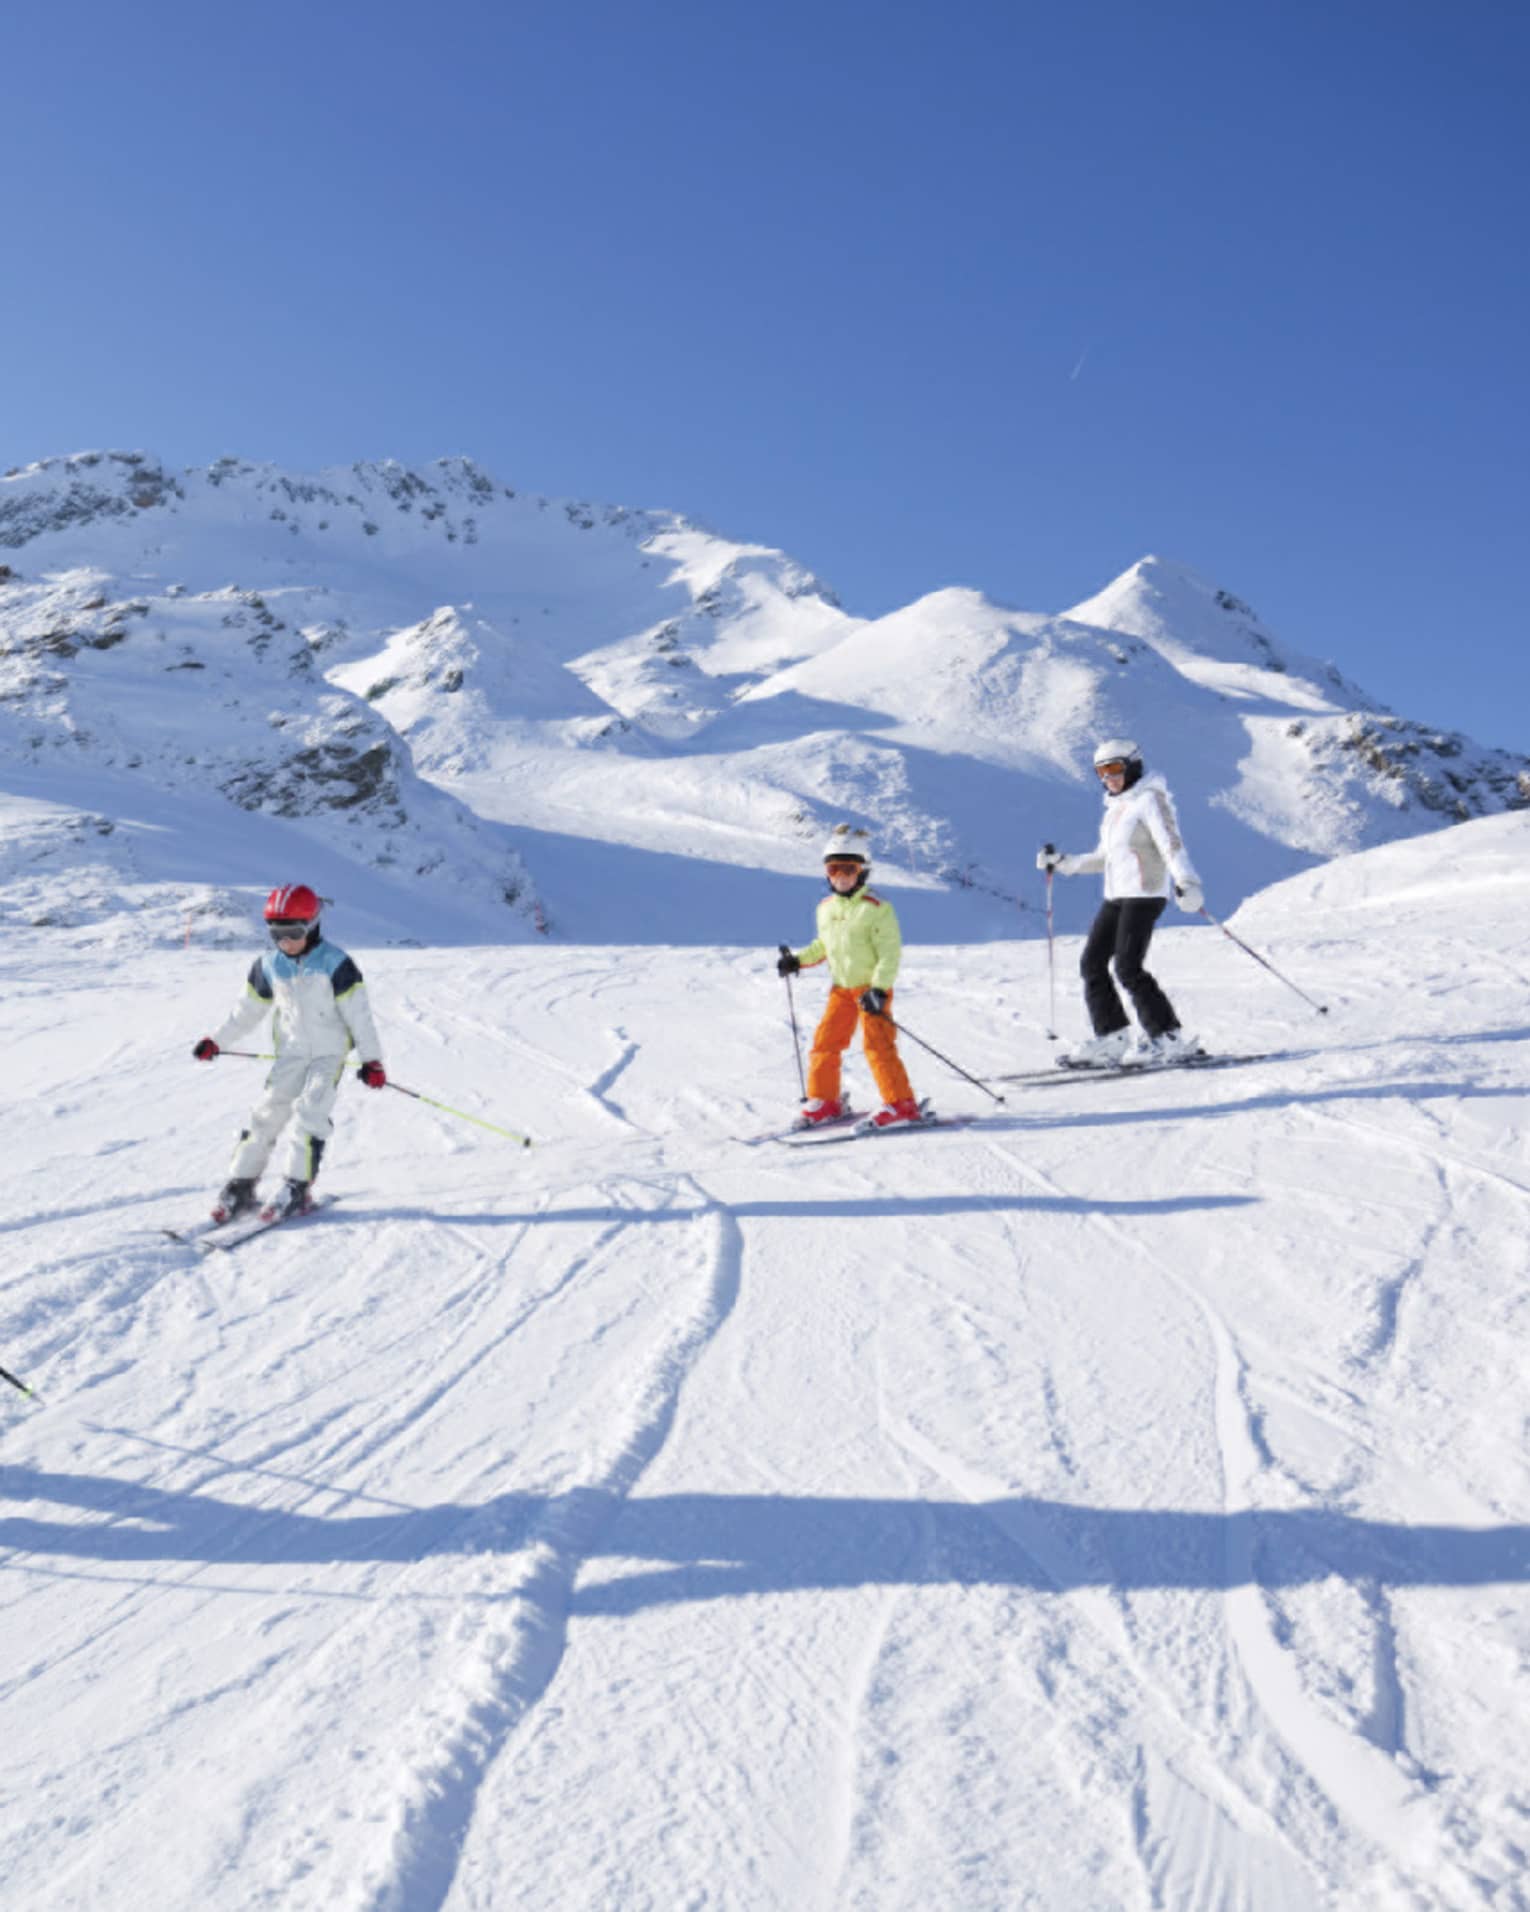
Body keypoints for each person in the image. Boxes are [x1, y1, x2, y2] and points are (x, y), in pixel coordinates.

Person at [192, 884, 387, 1221]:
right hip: (292, 1054)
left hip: (328, 1056)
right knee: (265, 1114)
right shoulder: (268, 966)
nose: (285, 941)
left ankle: (297, 1187)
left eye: (293, 932)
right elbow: (246, 1012)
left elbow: (359, 1016)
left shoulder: (336, 963)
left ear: (312, 927)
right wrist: (217, 1041)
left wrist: (371, 1060)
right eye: (276, 933)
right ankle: (241, 1184)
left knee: (310, 1114)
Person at [1037, 739, 1205, 1066]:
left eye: (1115, 768)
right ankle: (1112, 1037)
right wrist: (1063, 862)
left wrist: (1187, 882)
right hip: (1117, 896)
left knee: (1128, 968)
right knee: (1091, 964)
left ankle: (1168, 1037)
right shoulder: (1116, 810)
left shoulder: (1150, 800)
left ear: (1133, 766)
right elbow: (1105, 858)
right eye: (1102, 771)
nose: (1109, 777)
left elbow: (1171, 844)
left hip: (1144, 894)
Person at [775, 826, 926, 1130]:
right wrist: (797, 961)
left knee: (877, 1046)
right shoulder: (825, 909)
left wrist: (880, 989)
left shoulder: (877, 909)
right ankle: (825, 1101)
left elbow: (889, 953)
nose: (841, 875)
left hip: (871, 990)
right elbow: (824, 946)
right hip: (841, 990)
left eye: (849, 868)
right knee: (824, 1044)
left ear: (863, 871)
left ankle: (901, 1104)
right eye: (833, 868)